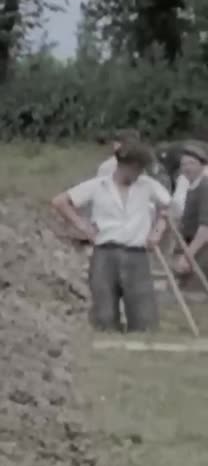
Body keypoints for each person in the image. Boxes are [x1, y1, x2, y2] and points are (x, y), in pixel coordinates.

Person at [52, 141, 169, 332]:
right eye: (137, 168)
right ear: (126, 165)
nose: (139, 173)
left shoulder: (148, 186)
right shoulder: (98, 186)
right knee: (104, 313)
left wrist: (158, 230)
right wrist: (83, 226)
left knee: (144, 318)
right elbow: (60, 201)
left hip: (136, 253)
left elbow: (169, 207)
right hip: (105, 252)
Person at [172, 141, 208, 284]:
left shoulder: (205, 187)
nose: (187, 168)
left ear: (202, 165)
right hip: (190, 244)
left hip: (202, 249)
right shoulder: (191, 186)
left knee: (194, 294)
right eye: (184, 164)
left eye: (191, 163)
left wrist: (188, 256)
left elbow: (205, 229)